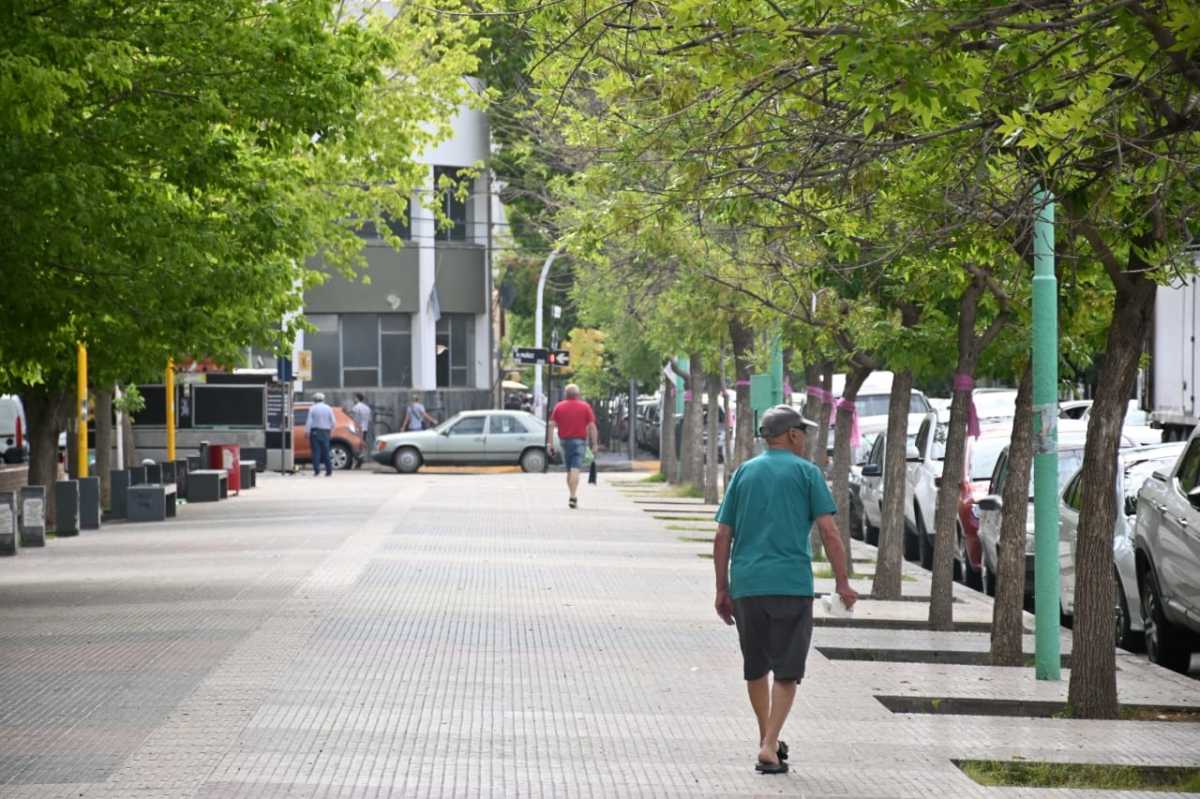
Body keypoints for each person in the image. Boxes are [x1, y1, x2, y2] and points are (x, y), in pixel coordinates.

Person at [712, 404, 858, 775]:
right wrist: (842, 582)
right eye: (804, 433)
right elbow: (829, 532)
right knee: (788, 671)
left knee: (756, 667)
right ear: (792, 435)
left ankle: (770, 741)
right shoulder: (807, 474)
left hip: (746, 585)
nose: (806, 439)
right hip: (790, 586)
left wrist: (721, 589)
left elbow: (722, 535)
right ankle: (768, 745)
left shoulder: (743, 473)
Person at [547, 384, 598, 509]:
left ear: (566, 394)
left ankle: (572, 495)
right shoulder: (585, 407)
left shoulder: (559, 407)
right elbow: (592, 426)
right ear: (578, 394)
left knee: (569, 470)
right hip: (579, 441)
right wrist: (595, 443)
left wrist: (550, 443)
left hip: (564, 442)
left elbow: (551, 424)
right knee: (575, 469)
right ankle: (573, 496)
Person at [305, 392, 336, 477]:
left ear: (314, 399)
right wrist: (332, 431)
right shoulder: (328, 408)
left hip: (315, 431)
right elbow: (333, 421)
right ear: (323, 399)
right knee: (326, 452)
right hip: (326, 431)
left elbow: (309, 421)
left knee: (316, 452)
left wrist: (307, 432)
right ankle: (329, 471)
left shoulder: (312, 408)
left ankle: (317, 470)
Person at [350, 393, 372, 468]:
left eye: (354, 398)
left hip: (358, 429)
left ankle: (358, 461)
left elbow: (353, 419)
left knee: (355, 446)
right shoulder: (367, 408)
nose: (353, 399)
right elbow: (369, 419)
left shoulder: (356, 407)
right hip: (365, 428)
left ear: (357, 398)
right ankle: (359, 463)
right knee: (361, 446)